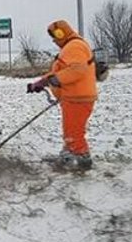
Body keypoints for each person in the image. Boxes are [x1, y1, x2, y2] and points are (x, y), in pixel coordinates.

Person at [27, 20, 97, 171]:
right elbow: (62, 70)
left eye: (55, 36)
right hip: (73, 97)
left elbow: (77, 70)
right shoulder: (71, 47)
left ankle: (83, 161)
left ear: (61, 33)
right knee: (71, 130)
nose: (54, 40)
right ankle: (69, 154)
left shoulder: (74, 46)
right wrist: (41, 82)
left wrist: (56, 80)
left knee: (74, 133)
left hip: (78, 98)